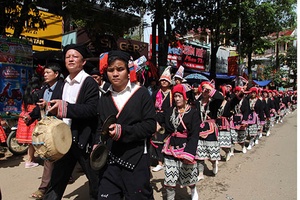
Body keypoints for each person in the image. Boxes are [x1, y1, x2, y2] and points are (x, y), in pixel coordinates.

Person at [96, 50, 156, 199]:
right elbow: (99, 127)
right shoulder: (104, 97)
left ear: (128, 72)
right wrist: (97, 143)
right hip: (110, 161)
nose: (115, 74)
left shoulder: (141, 94)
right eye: (110, 70)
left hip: (136, 160)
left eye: (120, 69)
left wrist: (123, 131)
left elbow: (150, 125)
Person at [43, 44, 99, 200]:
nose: (70, 59)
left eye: (74, 56)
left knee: (95, 181)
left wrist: (65, 108)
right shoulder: (63, 83)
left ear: (83, 61)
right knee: (57, 180)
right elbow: (57, 107)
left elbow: (92, 110)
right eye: (68, 57)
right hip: (64, 140)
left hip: (83, 139)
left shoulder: (89, 82)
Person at [26, 63, 64, 199]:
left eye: (48, 72)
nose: (45, 74)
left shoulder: (63, 87)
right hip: (47, 129)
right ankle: (43, 188)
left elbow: (64, 104)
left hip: (61, 128)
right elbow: (39, 107)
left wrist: (48, 105)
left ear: (56, 74)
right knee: (50, 156)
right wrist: (30, 116)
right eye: (45, 72)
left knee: (63, 157)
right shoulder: (44, 88)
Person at [162, 84, 200, 200]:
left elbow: (194, 134)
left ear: (185, 97)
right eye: (175, 96)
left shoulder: (193, 113)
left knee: (188, 175)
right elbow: (160, 120)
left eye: (179, 96)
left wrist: (189, 152)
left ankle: (193, 189)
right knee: (170, 179)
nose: (177, 99)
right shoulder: (169, 112)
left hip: (185, 147)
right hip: (171, 148)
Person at [195, 81, 224, 176]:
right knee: (199, 153)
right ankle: (200, 173)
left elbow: (221, 97)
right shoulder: (198, 102)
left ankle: (214, 163)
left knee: (210, 152)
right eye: (203, 89)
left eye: (206, 90)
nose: (204, 91)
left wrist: (210, 89)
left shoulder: (214, 102)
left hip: (210, 127)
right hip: (199, 128)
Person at [150, 66, 173, 172]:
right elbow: (150, 106)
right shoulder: (156, 93)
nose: (164, 82)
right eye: (162, 80)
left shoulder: (172, 94)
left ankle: (167, 160)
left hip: (169, 119)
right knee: (157, 140)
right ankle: (159, 162)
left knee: (167, 140)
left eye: (166, 80)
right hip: (157, 118)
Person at [16, 76, 41, 168]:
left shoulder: (26, 92)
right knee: (32, 141)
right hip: (32, 117)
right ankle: (29, 160)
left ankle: (31, 158)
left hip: (24, 116)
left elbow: (23, 106)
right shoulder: (38, 93)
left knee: (31, 141)